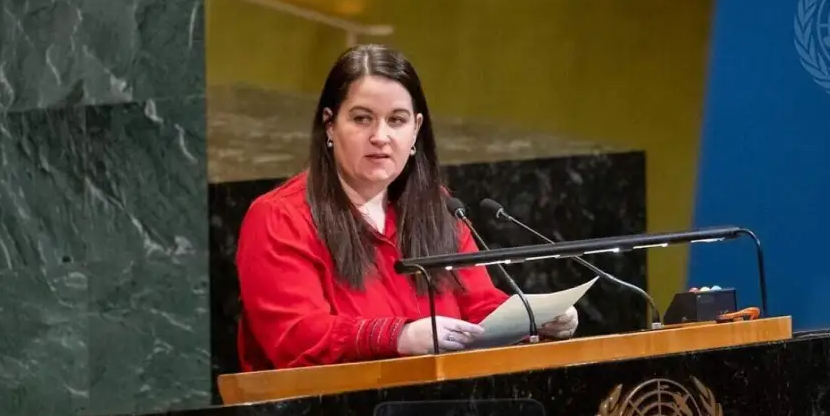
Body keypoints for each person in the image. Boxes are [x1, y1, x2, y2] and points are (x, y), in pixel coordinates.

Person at [235, 44, 579, 370]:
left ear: (415, 129)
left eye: (396, 120)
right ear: (330, 125)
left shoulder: (439, 207)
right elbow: (296, 338)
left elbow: (477, 307)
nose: (380, 136)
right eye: (362, 119)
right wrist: (399, 336)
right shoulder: (280, 217)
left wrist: (532, 317)